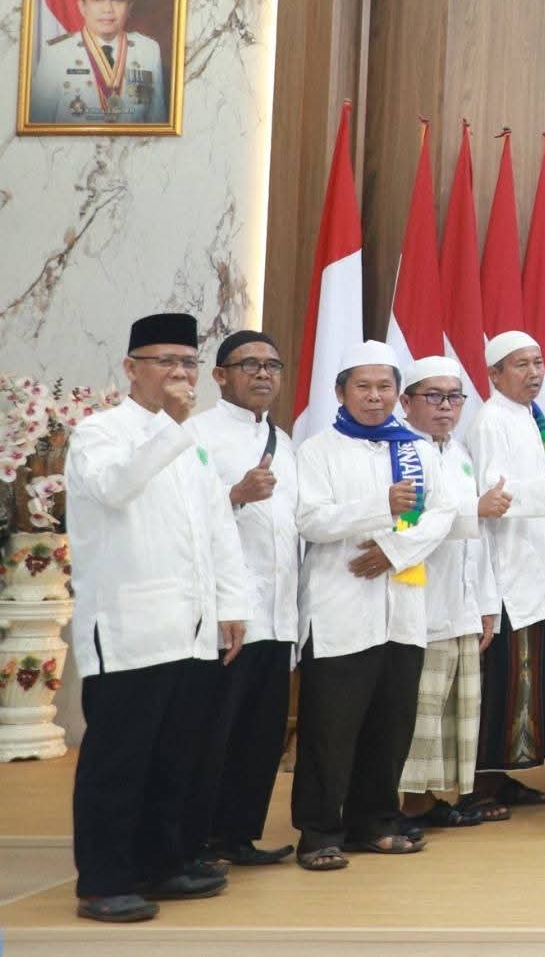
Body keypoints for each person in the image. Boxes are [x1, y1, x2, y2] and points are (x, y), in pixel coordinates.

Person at [67, 312, 247, 923]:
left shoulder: (190, 442)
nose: (179, 373)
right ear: (131, 368)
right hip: (129, 628)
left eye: (188, 363)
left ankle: (161, 863)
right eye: (165, 361)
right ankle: (103, 881)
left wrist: (231, 605)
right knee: (119, 761)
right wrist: (169, 426)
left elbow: (218, 527)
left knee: (175, 757)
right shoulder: (100, 433)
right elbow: (115, 488)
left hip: (191, 628)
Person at [292, 341, 458, 870]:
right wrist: (378, 508)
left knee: (391, 724)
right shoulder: (317, 450)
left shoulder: (417, 449)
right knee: (330, 728)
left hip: (402, 606)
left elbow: (443, 513)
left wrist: (392, 550)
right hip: (339, 608)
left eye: (385, 386)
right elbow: (310, 520)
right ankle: (319, 832)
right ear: (340, 391)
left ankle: (376, 821)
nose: (374, 396)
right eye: (363, 386)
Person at [182, 330, 299, 866]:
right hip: (227, 614)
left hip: (278, 612)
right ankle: (196, 840)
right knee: (214, 732)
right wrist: (234, 495)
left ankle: (238, 835)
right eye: (249, 365)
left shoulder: (284, 441)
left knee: (261, 733)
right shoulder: (195, 435)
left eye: (272, 365)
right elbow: (182, 518)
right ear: (219, 375)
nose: (263, 374)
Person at [460, 331, 545, 816]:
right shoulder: (491, 420)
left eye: (539, 363)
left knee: (525, 682)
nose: (534, 373)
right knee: (499, 682)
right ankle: (480, 784)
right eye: (521, 365)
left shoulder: (532, 418)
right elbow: (492, 495)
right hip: (505, 573)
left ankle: (500, 777)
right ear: (494, 374)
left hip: (538, 571)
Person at [393, 357, 506, 832]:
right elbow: (413, 525)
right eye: (433, 396)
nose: (446, 406)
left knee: (452, 712)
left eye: (454, 397)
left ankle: (433, 799)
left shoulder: (459, 453)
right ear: (406, 402)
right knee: (421, 712)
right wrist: (474, 509)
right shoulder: (400, 452)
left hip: (462, 603)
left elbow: (480, 537)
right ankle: (409, 804)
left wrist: (486, 605)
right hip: (421, 602)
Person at [28, 0, 168, 125]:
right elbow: (37, 129)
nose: (107, 9)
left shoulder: (148, 50)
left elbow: (157, 124)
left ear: (130, 7)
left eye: (117, 0)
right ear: (82, 7)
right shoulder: (56, 54)